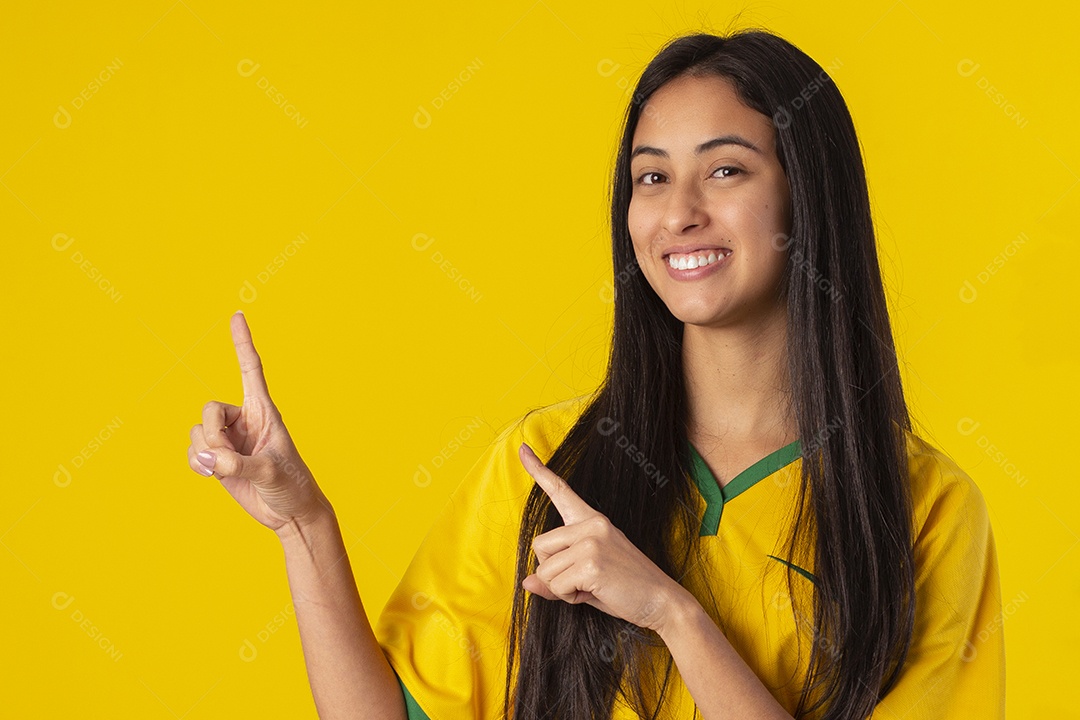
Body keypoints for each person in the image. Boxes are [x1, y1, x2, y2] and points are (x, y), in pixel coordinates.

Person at [187, 27, 1005, 720]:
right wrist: (303, 524)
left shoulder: (924, 508)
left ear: (807, 196)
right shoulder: (548, 460)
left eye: (725, 170)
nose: (679, 212)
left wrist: (670, 613)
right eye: (651, 177)